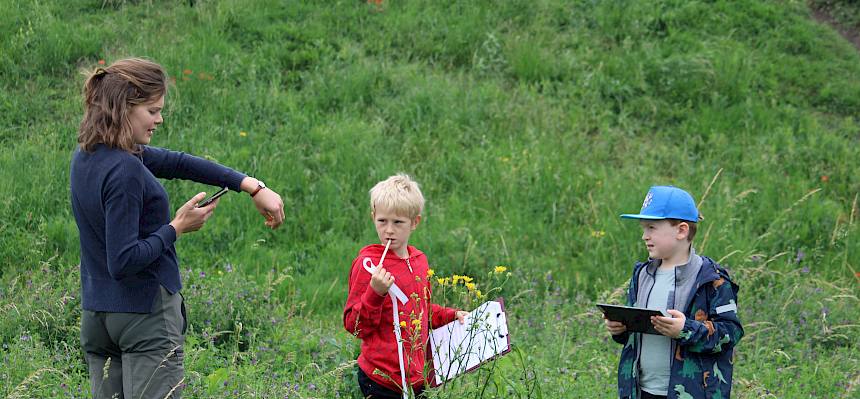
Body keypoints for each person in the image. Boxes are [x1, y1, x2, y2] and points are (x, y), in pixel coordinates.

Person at [70, 57, 285, 399]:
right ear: (125, 106)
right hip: (143, 318)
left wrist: (251, 186)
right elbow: (123, 260)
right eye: (152, 110)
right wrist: (177, 227)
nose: (159, 119)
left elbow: (178, 162)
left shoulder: (90, 155)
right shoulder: (125, 170)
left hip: (98, 316)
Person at [605, 186, 743, 399]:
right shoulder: (641, 275)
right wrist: (621, 329)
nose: (644, 236)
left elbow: (731, 332)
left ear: (681, 230)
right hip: (640, 391)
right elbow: (636, 334)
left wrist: (686, 329)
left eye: (652, 227)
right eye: (643, 228)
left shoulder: (712, 279)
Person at [343, 174, 467, 398]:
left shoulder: (419, 261)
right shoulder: (368, 265)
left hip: (417, 378)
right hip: (381, 379)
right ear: (373, 217)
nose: (389, 230)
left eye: (398, 222)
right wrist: (375, 293)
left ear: (414, 222)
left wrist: (452, 315)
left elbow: (420, 310)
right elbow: (355, 327)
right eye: (382, 221)